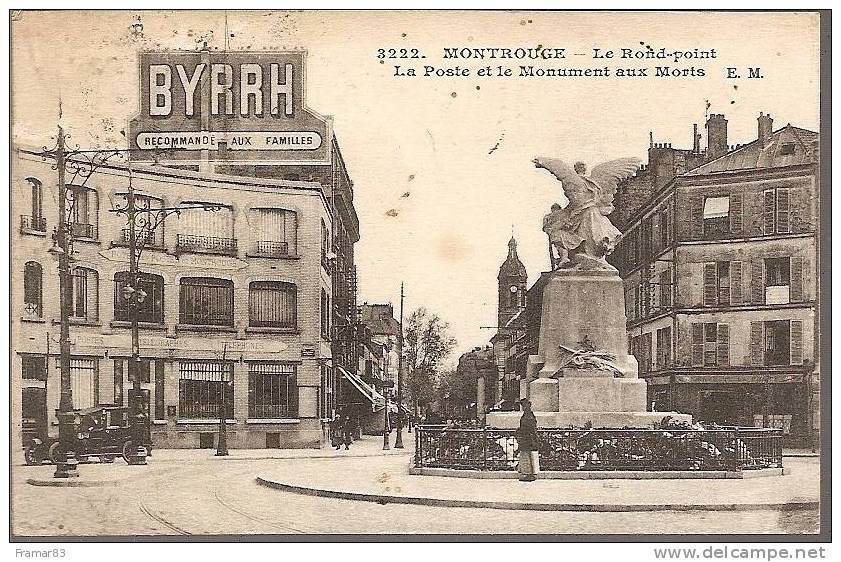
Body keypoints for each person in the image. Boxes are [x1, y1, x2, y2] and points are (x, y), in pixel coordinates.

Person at [515, 398, 540, 482]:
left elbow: (530, 427)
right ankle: (529, 473)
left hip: (528, 438)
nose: (523, 407)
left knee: (528, 455)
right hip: (526, 437)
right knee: (527, 455)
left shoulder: (529, 415)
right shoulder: (527, 414)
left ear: (528, 405)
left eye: (524, 405)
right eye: (522, 405)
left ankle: (530, 474)